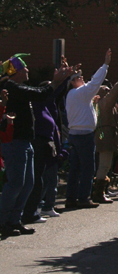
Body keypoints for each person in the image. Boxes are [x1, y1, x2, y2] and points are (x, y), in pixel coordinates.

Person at [0, 54, 74, 237]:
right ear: (15, 72)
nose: (27, 70)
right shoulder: (11, 87)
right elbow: (41, 94)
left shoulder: (19, 87)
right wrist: (56, 81)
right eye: (24, 68)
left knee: (28, 184)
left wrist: (61, 80)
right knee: (16, 183)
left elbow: (44, 95)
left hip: (26, 142)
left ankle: (15, 220)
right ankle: (3, 221)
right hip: (14, 142)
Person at [64, 49, 111, 210]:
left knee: (75, 168)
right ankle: (84, 197)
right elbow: (95, 82)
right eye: (78, 77)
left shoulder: (72, 95)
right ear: (72, 82)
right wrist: (105, 64)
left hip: (74, 134)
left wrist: (92, 102)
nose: (82, 78)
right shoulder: (81, 92)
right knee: (87, 168)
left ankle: (71, 197)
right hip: (84, 135)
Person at [93, 70, 118, 203]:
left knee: (106, 165)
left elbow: (113, 119)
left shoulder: (106, 107)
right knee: (104, 165)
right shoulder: (104, 104)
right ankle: (99, 192)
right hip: (106, 138)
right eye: (107, 90)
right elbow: (113, 95)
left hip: (107, 137)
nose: (109, 91)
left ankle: (102, 190)